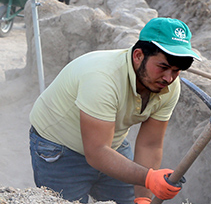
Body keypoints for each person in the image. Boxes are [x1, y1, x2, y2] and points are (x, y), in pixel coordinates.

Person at [28, 17, 200, 204]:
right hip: (59, 148)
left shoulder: (168, 86)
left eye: (176, 71)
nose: (169, 78)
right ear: (138, 56)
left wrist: (143, 197)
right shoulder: (102, 78)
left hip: (109, 143)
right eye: (163, 67)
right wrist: (150, 178)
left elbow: (150, 145)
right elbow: (97, 152)